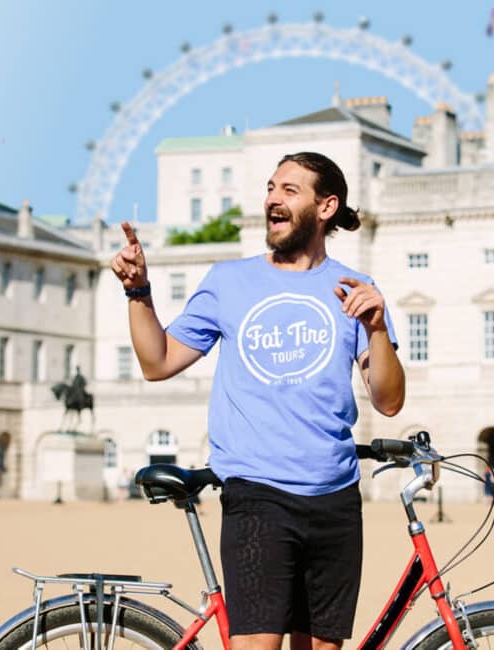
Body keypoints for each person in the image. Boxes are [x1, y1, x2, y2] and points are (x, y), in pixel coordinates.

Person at [111, 152, 405, 650]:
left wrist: (376, 328)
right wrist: (138, 291)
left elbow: (390, 401)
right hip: (257, 494)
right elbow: (157, 362)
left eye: (289, 190)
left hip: (336, 501)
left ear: (326, 206)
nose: (272, 198)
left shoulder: (357, 290)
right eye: (271, 188)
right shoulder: (230, 281)